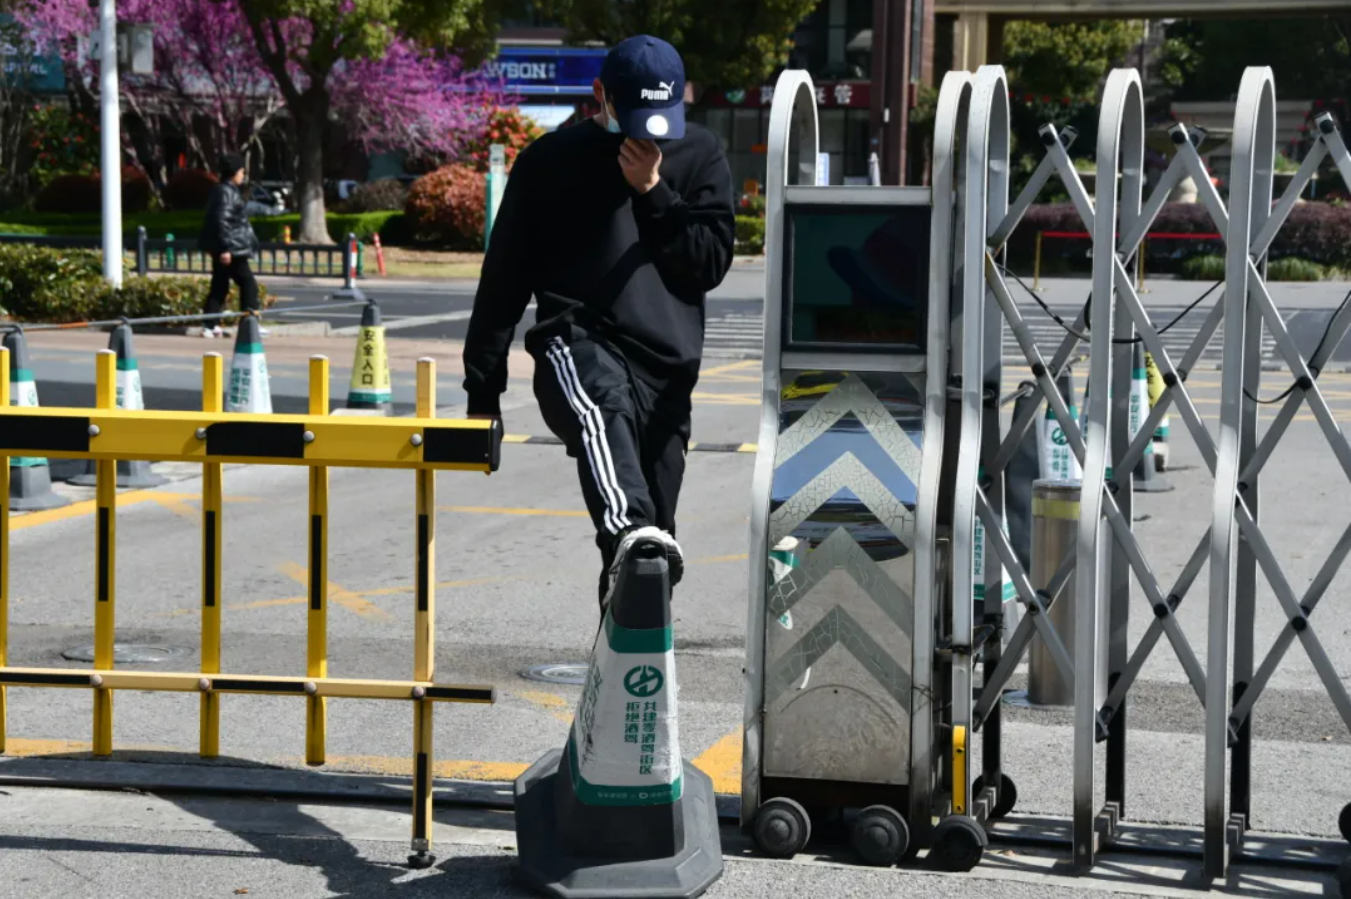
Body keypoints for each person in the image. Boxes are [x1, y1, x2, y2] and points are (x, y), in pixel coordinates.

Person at [462, 35, 735, 612]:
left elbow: (708, 264)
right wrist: (483, 394)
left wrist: (654, 193)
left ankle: (630, 631)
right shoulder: (549, 161)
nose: (647, 136)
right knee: (604, 421)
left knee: (653, 553)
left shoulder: (700, 154)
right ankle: (628, 532)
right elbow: (503, 279)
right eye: (634, 117)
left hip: (666, 369)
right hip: (576, 343)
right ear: (600, 95)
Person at [199, 153, 261, 338]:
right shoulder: (227, 192)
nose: (243, 175)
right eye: (242, 171)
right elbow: (222, 220)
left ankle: (210, 325)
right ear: (234, 172)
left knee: (219, 285)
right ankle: (249, 324)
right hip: (231, 249)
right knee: (248, 284)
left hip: (225, 247)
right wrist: (225, 248)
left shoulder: (224, 190)